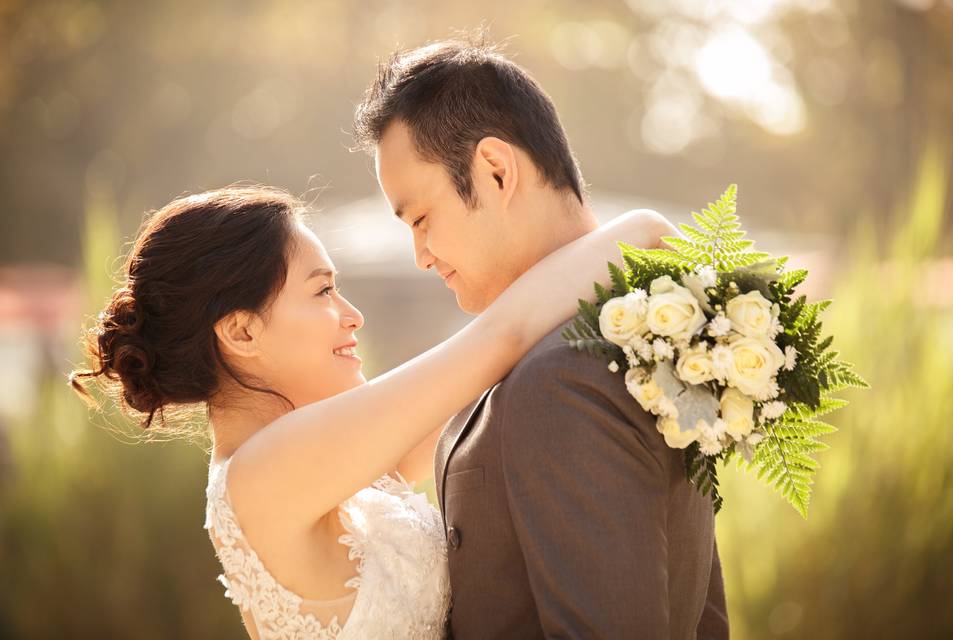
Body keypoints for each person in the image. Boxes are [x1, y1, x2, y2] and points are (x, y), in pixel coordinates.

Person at [70, 185, 677, 639]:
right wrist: (645, 229)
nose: (352, 314)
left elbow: (484, 377)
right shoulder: (266, 472)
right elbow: (499, 339)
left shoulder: (304, 465)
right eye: (322, 290)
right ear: (242, 331)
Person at [355, 38, 729, 639]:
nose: (420, 256)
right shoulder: (634, 338)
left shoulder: (563, 376)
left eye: (421, 219)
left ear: (497, 171)